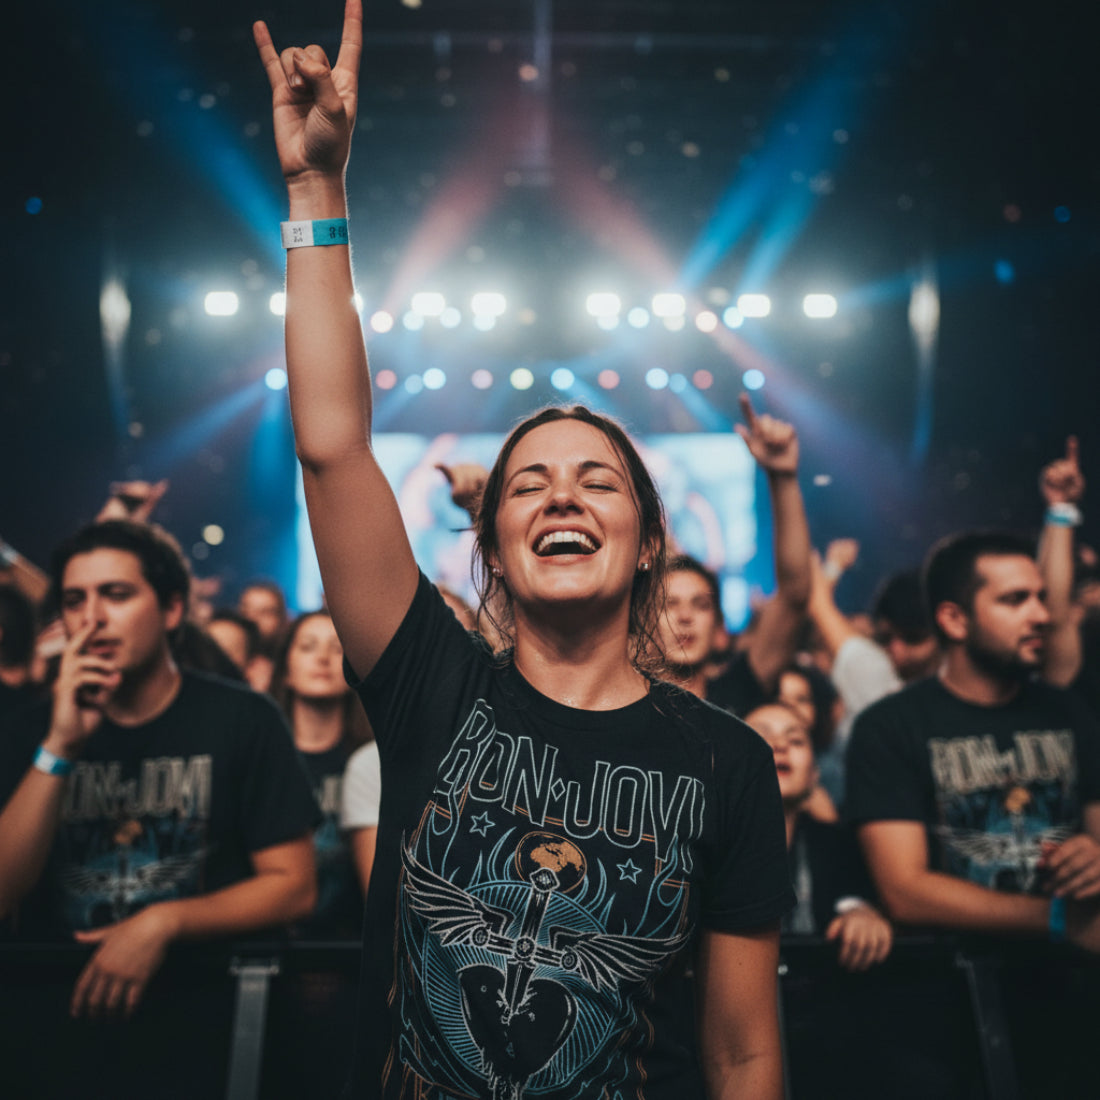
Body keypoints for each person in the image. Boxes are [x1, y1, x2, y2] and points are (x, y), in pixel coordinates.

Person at [254, 5, 794, 1096]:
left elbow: (740, 1046)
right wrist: (317, 193)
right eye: (529, 485)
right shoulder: (430, 691)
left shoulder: (724, 760)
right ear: (491, 546)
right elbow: (331, 448)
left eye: (597, 481)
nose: (562, 495)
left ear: (647, 543)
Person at [0, 521, 319, 1011]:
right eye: (74, 601)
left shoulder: (243, 718)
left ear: (172, 610)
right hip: (55, 1013)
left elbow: (293, 888)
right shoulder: (31, 730)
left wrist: (163, 922)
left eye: (116, 594)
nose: (92, 618)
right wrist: (60, 746)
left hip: (205, 1012)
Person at [846, 529, 1100, 1093]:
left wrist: (1094, 856)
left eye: (1039, 596)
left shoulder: (1068, 713)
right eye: (1015, 601)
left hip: (1074, 1011)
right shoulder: (891, 727)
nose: (1040, 614)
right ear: (956, 620)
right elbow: (905, 889)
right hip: (948, 1011)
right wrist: (1061, 921)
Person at [658, 397, 812, 717]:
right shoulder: (615, 707)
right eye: (669, 605)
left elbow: (795, 596)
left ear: (719, 633)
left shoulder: (737, 691)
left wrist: (782, 477)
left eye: (700, 605)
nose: (685, 617)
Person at [745, 703, 890, 969]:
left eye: (796, 740)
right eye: (760, 737)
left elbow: (853, 896)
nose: (779, 745)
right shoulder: (703, 847)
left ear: (814, 775)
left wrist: (862, 915)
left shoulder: (838, 845)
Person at [271, 610, 364, 936]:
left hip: (352, 947)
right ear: (285, 670)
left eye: (338, 648)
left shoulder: (370, 764)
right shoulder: (262, 760)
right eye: (308, 647)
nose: (323, 658)